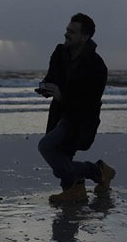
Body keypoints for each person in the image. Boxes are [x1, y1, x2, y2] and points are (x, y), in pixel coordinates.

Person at [37, 13, 115, 203]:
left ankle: (82, 183)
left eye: (72, 32)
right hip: (59, 114)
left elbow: (89, 101)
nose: (66, 34)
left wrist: (62, 95)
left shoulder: (97, 66)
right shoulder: (60, 53)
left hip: (80, 119)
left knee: (46, 146)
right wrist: (46, 87)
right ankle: (93, 176)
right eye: (67, 30)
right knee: (61, 163)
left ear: (85, 36)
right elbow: (52, 77)